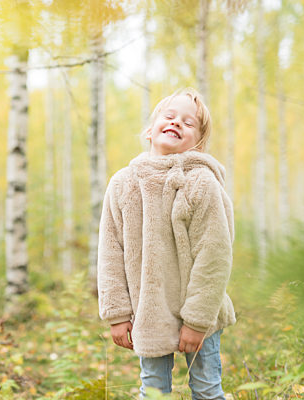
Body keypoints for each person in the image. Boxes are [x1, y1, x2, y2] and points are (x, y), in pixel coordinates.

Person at [97, 88, 236, 399]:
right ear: (150, 130)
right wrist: (117, 313)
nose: (176, 123)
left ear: (198, 142)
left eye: (188, 123)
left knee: (207, 389)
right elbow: (110, 251)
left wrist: (197, 321)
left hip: (200, 312)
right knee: (154, 391)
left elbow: (214, 255)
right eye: (169, 116)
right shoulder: (124, 183)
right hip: (149, 311)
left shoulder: (200, 183)